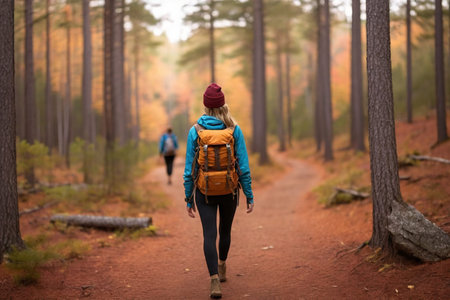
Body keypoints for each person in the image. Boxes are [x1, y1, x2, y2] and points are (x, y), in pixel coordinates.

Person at [183, 83, 254, 299]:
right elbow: (243, 167)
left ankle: (214, 281)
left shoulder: (195, 131)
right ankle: (222, 265)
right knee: (225, 231)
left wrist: (188, 198)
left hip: (204, 192)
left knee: (209, 234)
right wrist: (249, 194)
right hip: (229, 190)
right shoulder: (234, 129)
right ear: (223, 105)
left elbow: (189, 170)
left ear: (206, 106)